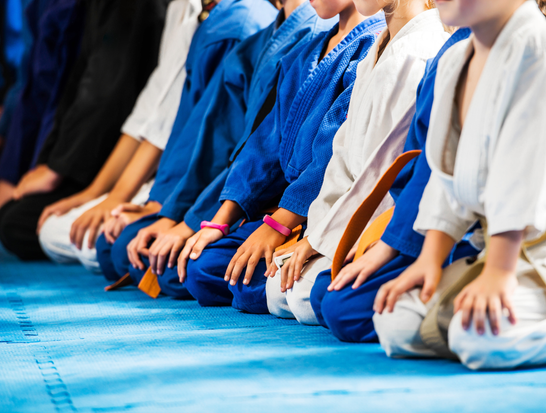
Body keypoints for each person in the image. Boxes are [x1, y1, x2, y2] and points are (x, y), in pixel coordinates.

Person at [372, 0, 546, 370]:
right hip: (498, 247)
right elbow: (446, 176)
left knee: (481, 339)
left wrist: (499, 272)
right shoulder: (456, 60)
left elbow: (523, 168)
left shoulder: (544, 44)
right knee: (397, 323)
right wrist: (430, 259)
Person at [101, 0, 335, 298]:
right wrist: (170, 211)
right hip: (238, 197)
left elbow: (288, 159)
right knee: (133, 255)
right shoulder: (258, 42)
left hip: (282, 207)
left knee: (183, 270)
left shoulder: (254, 25)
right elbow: (212, 137)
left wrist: (271, 222)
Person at [179, 0, 386, 312]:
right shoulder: (306, 50)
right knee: (199, 269)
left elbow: (328, 156)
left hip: (321, 211)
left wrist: (280, 225)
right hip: (283, 212)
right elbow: (266, 144)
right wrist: (220, 222)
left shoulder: (370, 47)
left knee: (246, 288)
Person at [263, 0, 451, 325]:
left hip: (384, 223)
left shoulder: (420, 52)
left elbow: (381, 177)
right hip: (344, 221)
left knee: (312, 297)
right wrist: (316, 236)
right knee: (279, 290)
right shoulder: (376, 52)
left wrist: (325, 241)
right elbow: (340, 162)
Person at [308, 28, 476, 342]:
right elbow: (424, 167)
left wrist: (400, 245)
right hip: (432, 223)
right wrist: (386, 240)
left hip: (497, 234)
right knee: (323, 294)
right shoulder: (456, 52)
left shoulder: (528, 50)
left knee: (343, 308)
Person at [35, 0, 202, 272]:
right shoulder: (180, 7)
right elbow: (148, 114)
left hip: (185, 179)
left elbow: (168, 127)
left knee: (100, 246)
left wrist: (131, 199)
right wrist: (99, 194)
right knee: (54, 233)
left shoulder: (232, 20)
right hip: (162, 176)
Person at [0, 0, 170, 260]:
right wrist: (95, 192)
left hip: (157, 175)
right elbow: (142, 119)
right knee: (23, 222)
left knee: (20, 224)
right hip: (120, 162)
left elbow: (107, 99)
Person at [0, 0, 84, 209]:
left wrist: (47, 165)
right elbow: (31, 81)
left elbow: (56, 90)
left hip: (72, 154)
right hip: (33, 133)